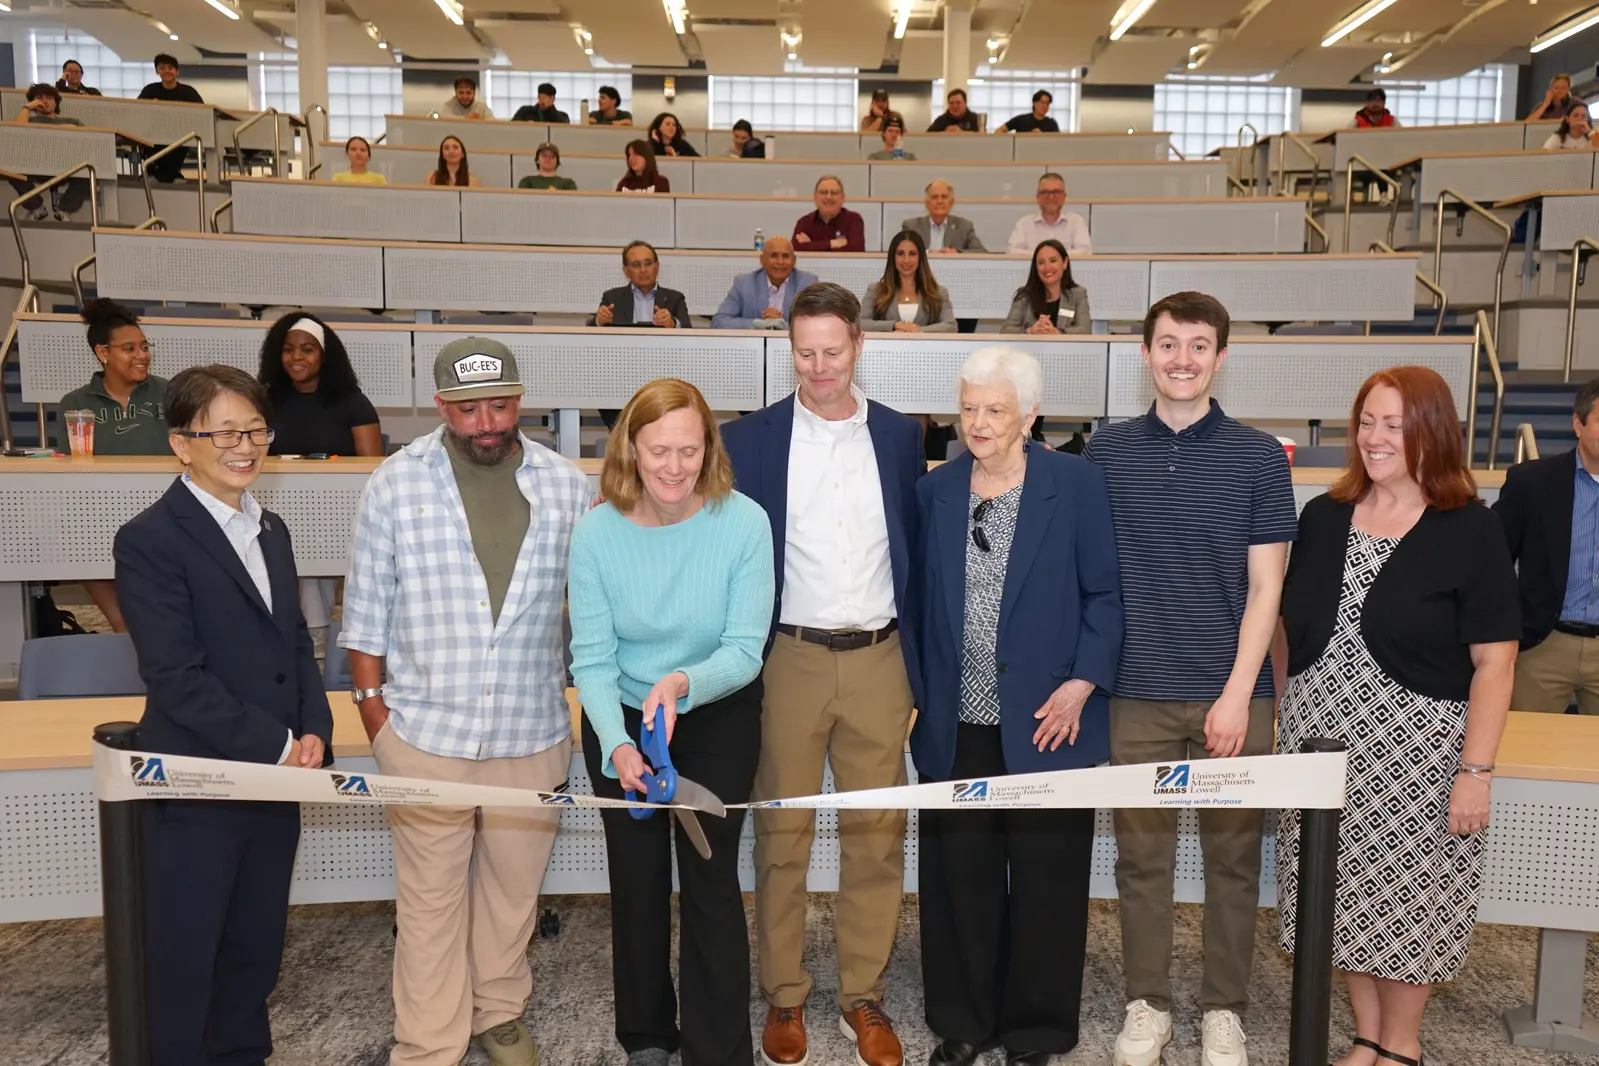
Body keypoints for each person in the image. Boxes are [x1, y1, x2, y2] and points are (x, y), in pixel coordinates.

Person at [341, 337, 589, 1066]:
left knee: (513, 898)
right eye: (467, 407)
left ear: (522, 399)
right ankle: (428, 1042)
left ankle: (498, 1012)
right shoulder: (395, 482)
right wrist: (375, 719)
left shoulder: (566, 486)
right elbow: (366, 614)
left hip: (531, 727)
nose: (486, 422)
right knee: (428, 905)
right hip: (422, 733)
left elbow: (594, 608)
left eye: (500, 404)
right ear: (440, 406)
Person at [1277, 366, 1519, 1066]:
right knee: (1337, 893)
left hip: (1416, 753)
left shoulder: (1471, 529)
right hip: (1319, 745)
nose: (1375, 438)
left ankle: (1401, 1044)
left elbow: (1495, 662)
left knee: (1409, 896)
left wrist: (1474, 770)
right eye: (1367, 422)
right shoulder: (1322, 516)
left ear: (1431, 434)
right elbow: (1289, 632)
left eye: (1394, 425)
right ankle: (1363, 1034)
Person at [1083, 291, 1297, 1066]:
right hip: (1132, 691)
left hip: (1231, 693)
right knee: (1140, 861)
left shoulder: (1256, 459)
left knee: (1233, 862)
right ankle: (1147, 1004)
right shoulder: (1103, 453)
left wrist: (1238, 692)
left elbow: (1267, 588)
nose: (1181, 359)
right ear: (1144, 354)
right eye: (1167, 344)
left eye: (1197, 345)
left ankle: (1222, 1011)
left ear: (1221, 356)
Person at [721, 283, 925, 1066]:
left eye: (831, 352)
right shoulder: (752, 439)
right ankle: (783, 993)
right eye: (803, 352)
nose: (818, 367)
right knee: (782, 834)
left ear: (859, 344)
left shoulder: (903, 436)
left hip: (879, 658)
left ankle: (862, 994)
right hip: (789, 657)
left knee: (876, 836)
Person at [115, 363, 332, 1066]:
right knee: (186, 959)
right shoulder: (150, 539)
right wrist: (277, 744)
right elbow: (176, 679)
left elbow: (294, 643)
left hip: (273, 783)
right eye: (226, 432)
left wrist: (315, 730)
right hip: (198, 784)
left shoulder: (270, 528)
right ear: (182, 443)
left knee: (254, 948)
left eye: (256, 429)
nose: (246, 445)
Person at [913, 346, 1123, 1066]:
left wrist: (1081, 683)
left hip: (1050, 719)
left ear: (1029, 414)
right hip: (956, 722)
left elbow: (1105, 595)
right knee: (958, 883)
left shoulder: (1076, 484)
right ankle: (963, 1022)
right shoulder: (935, 491)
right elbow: (915, 606)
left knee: (1047, 880)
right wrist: (918, 697)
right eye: (968, 406)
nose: (977, 422)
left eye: (994, 409)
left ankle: (1034, 1028)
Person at [569, 378, 775, 1066]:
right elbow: (591, 661)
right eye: (659, 450)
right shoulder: (595, 532)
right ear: (630, 447)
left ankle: (717, 1050)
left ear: (708, 448)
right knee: (636, 882)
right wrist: (619, 746)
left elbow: (745, 651)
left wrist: (684, 682)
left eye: (689, 450)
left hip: (714, 711)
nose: (674, 467)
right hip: (621, 717)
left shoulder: (744, 522)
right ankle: (648, 1037)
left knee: (711, 881)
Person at [258, 311, 382, 641]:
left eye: (307, 349)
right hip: (275, 510)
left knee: (310, 556)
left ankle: (316, 644)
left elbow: (373, 471)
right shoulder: (264, 400)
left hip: (335, 514)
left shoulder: (352, 403)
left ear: (325, 356)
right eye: (288, 349)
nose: (296, 357)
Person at [60, 299, 170, 634]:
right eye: (129, 348)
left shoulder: (170, 393)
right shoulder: (76, 403)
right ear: (103, 353)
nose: (142, 355)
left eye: (144, 347)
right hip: (99, 512)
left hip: (164, 510)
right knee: (78, 544)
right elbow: (69, 472)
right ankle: (124, 628)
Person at [1493, 376, 1599, 714]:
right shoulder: (1532, 482)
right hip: (1543, 644)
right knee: (1524, 756)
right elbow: (1491, 561)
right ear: (1577, 423)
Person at [8, 84, 87, 221]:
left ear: (56, 102)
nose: (44, 101)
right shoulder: (27, 120)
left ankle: (64, 210)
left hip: (66, 168)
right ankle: (37, 208)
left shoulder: (72, 121)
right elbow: (16, 132)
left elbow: (88, 139)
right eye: (39, 98)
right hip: (33, 167)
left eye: (49, 98)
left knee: (88, 171)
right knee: (11, 170)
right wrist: (27, 108)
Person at [711, 236, 819, 329]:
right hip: (752, 348)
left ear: (794, 261)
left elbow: (817, 323)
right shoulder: (744, 283)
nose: (780, 262)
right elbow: (719, 322)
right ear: (762, 260)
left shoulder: (808, 283)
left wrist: (782, 324)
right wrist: (758, 324)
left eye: (785, 256)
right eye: (774, 256)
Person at [860, 229, 956, 333]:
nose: (906, 260)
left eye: (912, 254)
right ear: (893, 257)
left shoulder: (939, 292)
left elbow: (951, 326)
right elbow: (860, 323)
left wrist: (917, 330)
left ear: (921, 257)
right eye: (900, 253)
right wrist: (895, 325)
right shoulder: (875, 290)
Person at [592, 240, 691, 329]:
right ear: (626, 271)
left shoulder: (675, 298)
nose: (643, 270)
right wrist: (599, 321)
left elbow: (689, 332)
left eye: (648, 264)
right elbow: (590, 332)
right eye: (636, 265)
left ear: (657, 267)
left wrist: (672, 324)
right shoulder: (612, 298)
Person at [138, 54, 204, 184]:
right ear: (157, 71)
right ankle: (166, 176)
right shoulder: (150, 90)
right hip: (154, 134)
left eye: (170, 68)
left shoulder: (188, 92)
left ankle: (164, 176)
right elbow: (138, 111)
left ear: (177, 71)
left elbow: (202, 113)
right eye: (162, 68)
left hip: (180, 135)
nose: (166, 71)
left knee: (177, 149)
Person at [1001, 239, 1090, 335]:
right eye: (1041, 263)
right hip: (1029, 349)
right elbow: (1006, 330)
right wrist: (1030, 331)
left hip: (1066, 350)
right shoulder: (1024, 296)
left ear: (1065, 263)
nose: (1047, 268)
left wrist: (1056, 332)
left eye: (1053, 261)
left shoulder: (1078, 294)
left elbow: (1085, 330)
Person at [1005, 173, 1090, 256]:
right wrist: (1051, 256)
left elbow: (1085, 252)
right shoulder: (1024, 224)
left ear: (1064, 196)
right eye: (1045, 192)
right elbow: (1012, 252)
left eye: (1056, 192)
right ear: (1038, 197)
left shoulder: (1076, 222)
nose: (1051, 197)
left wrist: (1046, 256)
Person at [900, 180, 988, 254]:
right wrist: (929, 253)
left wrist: (957, 253)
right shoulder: (912, 226)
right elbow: (903, 252)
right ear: (927, 203)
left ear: (951, 202)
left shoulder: (964, 227)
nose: (939, 201)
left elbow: (981, 252)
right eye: (935, 197)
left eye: (944, 197)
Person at [792, 175, 865, 252]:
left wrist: (811, 245)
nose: (828, 197)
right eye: (823, 192)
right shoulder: (804, 222)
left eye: (834, 193)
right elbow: (795, 249)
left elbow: (856, 250)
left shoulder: (854, 220)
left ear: (843, 198)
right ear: (815, 197)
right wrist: (832, 243)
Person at [994, 90, 1060, 134]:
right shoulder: (1021, 119)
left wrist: (1042, 136)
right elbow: (999, 131)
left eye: (1047, 103)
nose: (1044, 106)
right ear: (1034, 103)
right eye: (1042, 102)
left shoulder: (1052, 123)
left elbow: (1058, 142)